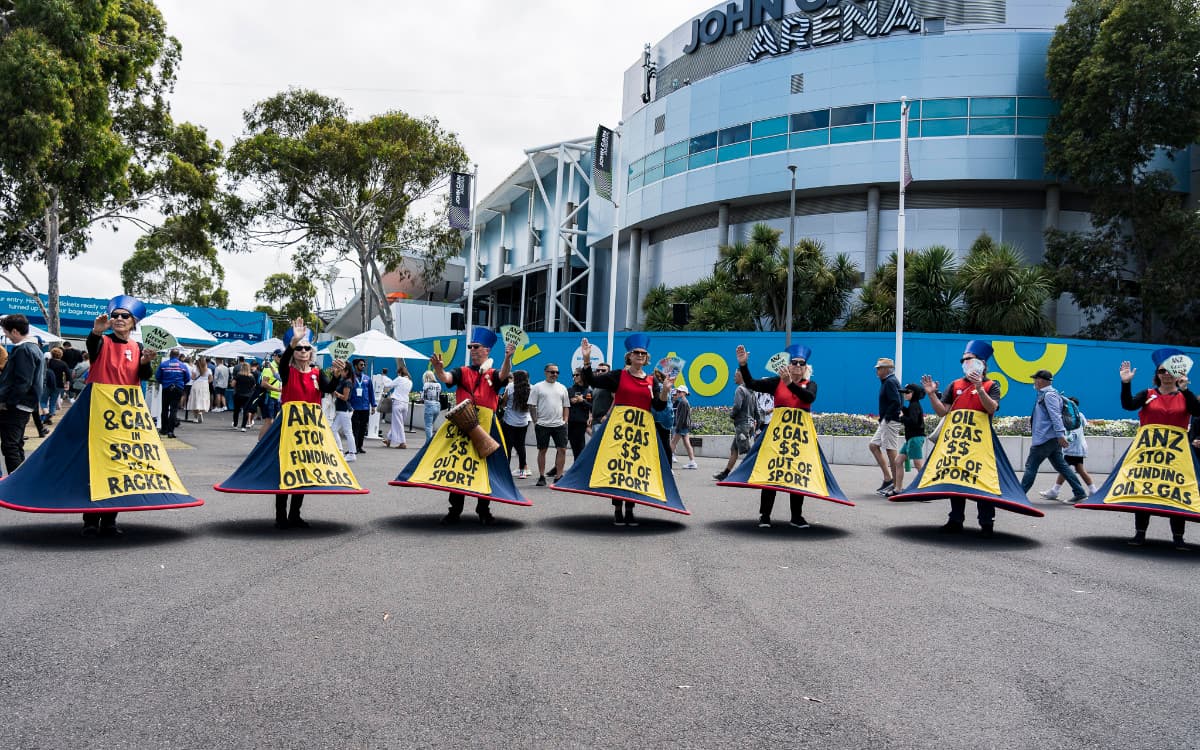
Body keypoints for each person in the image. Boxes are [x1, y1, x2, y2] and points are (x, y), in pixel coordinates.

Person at [394, 326, 518, 524]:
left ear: (486, 350)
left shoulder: (493, 374)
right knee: (456, 466)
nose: (473, 349)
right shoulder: (462, 371)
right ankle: (455, 510)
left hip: (486, 425)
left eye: (476, 346)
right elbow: (446, 378)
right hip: (461, 423)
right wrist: (439, 369)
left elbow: (504, 375)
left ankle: (484, 510)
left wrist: (508, 357)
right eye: (470, 346)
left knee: (485, 468)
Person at [557, 334, 680, 527]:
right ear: (629, 356)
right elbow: (592, 381)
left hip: (640, 433)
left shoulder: (651, 380)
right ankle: (617, 509)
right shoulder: (618, 375)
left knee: (634, 472)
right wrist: (587, 359)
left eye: (643, 353)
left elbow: (658, 405)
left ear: (647, 358)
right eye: (636, 353)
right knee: (618, 469)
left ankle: (630, 510)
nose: (640, 355)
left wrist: (664, 390)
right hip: (619, 431)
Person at [921, 340, 1002, 536]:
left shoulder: (992, 385)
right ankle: (955, 519)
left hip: (980, 444)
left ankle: (986, 523)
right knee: (956, 479)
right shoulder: (955, 385)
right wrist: (931, 395)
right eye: (963, 360)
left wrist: (979, 387)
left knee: (982, 481)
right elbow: (943, 412)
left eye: (969, 359)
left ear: (981, 363)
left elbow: (991, 408)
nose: (965, 363)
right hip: (957, 443)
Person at [1119, 353, 1200, 547]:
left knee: (1177, 492)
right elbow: (1128, 405)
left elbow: (1197, 411)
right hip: (1148, 452)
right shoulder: (1147, 394)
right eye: (1162, 371)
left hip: (1176, 454)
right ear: (1157, 374)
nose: (1166, 374)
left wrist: (1186, 389)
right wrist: (1125, 383)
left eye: (1170, 371)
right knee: (1143, 489)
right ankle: (1140, 534)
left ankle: (1178, 538)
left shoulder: (1185, 396)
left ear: (1178, 374)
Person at [735, 343, 818, 528]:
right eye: (794, 362)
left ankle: (796, 517)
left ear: (805, 367)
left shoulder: (810, 384)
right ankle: (765, 516)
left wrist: (790, 384)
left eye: (801, 363)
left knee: (798, 474)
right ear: (787, 365)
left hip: (799, 440)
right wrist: (743, 365)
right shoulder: (776, 383)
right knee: (771, 473)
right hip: (777, 438)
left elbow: (808, 398)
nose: (797, 366)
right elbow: (752, 384)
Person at [1019, 369, 1088, 504]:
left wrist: (1060, 435)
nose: (1034, 382)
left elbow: (1055, 416)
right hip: (1051, 439)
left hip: (1045, 439)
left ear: (1041, 381)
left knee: (1031, 466)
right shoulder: (1047, 394)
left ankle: (1019, 494)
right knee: (1062, 466)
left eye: (1035, 379)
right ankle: (1079, 492)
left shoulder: (1049, 395)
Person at [0, 315, 44, 472]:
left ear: (14, 331)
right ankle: (19, 481)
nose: (5, 335)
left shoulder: (24, 350)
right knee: (15, 444)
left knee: (10, 445)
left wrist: (9, 403)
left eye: (6, 332)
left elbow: (23, 382)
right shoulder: (33, 348)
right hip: (25, 404)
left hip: (17, 405)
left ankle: (15, 485)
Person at [1040, 396, 1099, 502]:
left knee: (1065, 468)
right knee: (1077, 469)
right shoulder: (1079, 415)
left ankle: (1060, 491)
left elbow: (1074, 433)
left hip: (1073, 448)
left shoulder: (1072, 416)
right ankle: (1092, 490)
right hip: (1077, 447)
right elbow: (1083, 426)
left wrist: (1065, 439)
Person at [868, 357, 904, 496]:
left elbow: (896, 402)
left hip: (890, 421)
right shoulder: (888, 381)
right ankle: (888, 479)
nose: (877, 371)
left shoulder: (889, 382)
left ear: (886, 369)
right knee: (873, 445)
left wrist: (887, 418)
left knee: (891, 451)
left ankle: (896, 485)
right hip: (887, 420)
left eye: (879, 368)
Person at [530, 362, 570, 487]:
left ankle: (558, 477)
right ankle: (542, 476)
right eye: (552, 372)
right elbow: (531, 405)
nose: (555, 374)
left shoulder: (562, 387)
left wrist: (565, 420)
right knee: (543, 450)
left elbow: (566, 405)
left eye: (557, 372)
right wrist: (535, 421)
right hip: (542, 424)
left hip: (559, 424)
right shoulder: (538, 387)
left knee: (562, 449)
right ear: (545, 372)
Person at [714, 369, 758, 481]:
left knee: (747, 450)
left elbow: (737, 406)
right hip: (749, 424)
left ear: (740, 376)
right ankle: (725, 473)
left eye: (735, 376)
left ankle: (754, 473)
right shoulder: (752, 391)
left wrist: (732, 415)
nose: (734, 378)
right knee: (734, 449)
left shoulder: (740, 389)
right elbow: (757, 410)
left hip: (742, 425)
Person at [894, 383, 927, 493]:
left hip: (915, 438)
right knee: (898, 461)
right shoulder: (913, 405)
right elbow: (910, 417)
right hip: (911, 439)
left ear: (914, 394)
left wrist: (902, 417)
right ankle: (898, 488)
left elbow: (913, 422)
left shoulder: (915, 406)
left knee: (918, 464)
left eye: (907, 392)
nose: (905, 395)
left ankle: (925, 489)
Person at [500, 370, 532, 478]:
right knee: (521, 446)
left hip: (509, 421)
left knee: (508, 446)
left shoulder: (510, 387)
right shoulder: (531, 388)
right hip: (523, 422)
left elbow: (503, 402)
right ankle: (523, 471)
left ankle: (505, 471)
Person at [155, 348, 190, 438]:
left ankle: (164, 429)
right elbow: (187, 378)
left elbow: (158, 377)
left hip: (166, 388)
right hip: (178, 388)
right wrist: (180, 384)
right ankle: (171, 432)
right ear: (178, 356)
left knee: (165, 409)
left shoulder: (163, 365)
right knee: (174, 410)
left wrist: (164, 383)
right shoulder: (183, 366)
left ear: (170, 355)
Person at [329, 359, 357, 462]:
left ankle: (352, 453)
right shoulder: (343, 380)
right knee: (334, 429)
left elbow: (345, 397)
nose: (340, 372)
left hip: (345, 410)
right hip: (342, 410)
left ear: (347, 371)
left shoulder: (347, 382)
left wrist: (335, 393)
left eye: (342, 370)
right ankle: (340, 450)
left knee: (348, 432)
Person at [349, 358, 376, 453]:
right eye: (361, 364)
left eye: (364, 364)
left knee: (363, 428)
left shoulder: (367, 378)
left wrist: (373, 405)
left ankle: (360, 447)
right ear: (355, 366)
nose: (363, 366)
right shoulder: (350, 377)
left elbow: (371, 392)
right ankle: (353, 447)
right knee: (354, 428)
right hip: (354, 407)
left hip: (365, 407)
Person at [669, 385, 698, 469]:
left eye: (679, 391)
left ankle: (666, 462)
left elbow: (682, 417)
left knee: (673, 442)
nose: (677, 393)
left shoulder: (683, 402)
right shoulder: (684, 402)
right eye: (677, 391)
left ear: (684, 393)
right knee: (687, 444)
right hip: (684, 427)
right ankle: (692, 462)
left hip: (681, 427)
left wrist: (678, 427)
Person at [256, 350, 283, 440]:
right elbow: (264, 383)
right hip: (270, 397)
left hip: (278, 398)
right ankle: (259, 444)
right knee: (269, 421)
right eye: (279, 355)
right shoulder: (269, 368)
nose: (281, 357)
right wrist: (278, 390)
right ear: (274, 356)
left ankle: (265, 443)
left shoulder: (280, 367)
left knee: (275, 422)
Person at [566, 368, 591, 461]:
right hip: (569, 421)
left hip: (580, 423)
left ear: (583, 376)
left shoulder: (588, 391)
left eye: (577, 375)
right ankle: (557, 468)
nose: (575, 377)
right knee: (562, 447)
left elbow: (592, 406)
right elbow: (563, 405)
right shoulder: (569, 390)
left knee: (578, 448)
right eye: (574, 375)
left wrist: (582, 401)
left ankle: (577, 469)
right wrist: (570, 401)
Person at [385, 362, 412, 449]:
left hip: (397, 402)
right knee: (398, 423)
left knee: (398, 423)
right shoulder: (410, 382)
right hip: (405, 404)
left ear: (400, 373)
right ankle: (388, 440)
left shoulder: (399, 379)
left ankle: (403, 442)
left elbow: (389, 385)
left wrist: (382, 379)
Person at [44, 347, 70, 426]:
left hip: (48, 383)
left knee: (43, 400)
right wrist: (67, 384)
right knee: (53, 401)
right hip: (59, 385)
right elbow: (68, 375)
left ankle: (46, 414)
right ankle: (51, 416)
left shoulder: (48, 362)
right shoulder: (63, 364)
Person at [589, 362, 613, 438]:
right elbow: (592, 403)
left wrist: (607, 415)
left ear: (609, 372)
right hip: (595, 422)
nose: (600, 372)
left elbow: (616, 400)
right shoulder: (596, 387)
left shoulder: (611, 385)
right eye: (598, 370)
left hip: (605, 422)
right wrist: (590, 416)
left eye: (603, 371)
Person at [231, 362, 257, 431]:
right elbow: (254, 386)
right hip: (248, 396)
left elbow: (233, 384)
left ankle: (235, 425)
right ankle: (243, 427)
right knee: (246, 411)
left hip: (238, 394)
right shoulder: (251, 377)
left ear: (241, 368)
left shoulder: (238, 375)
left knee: (236, 410)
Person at [186, 357, 211, 423]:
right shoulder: (208, 370)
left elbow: (193, 378)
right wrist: (205, 382)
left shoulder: (195, 369)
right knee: (203, 399)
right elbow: (211, 379)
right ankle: (200, 412)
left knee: (195, 400)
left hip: (196, 384)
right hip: (205, 385)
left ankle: (195, 418)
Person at [420, 370, 442, 443]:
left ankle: (429, 443)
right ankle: (430, 442)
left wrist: (421, 397)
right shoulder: (438, 384)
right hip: (437, 405)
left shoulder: (426, 385)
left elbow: (423, 396)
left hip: (429, 405)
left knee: (428, 426)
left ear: (426, 377)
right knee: (431, 425)